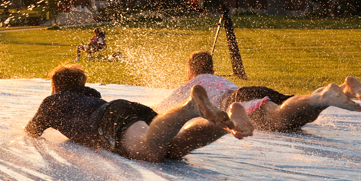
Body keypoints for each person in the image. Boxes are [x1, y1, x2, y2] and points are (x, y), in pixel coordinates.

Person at [25, 64, 254, 162]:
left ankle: (190, 108)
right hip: (123, 108)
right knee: (172, 148)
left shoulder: (52, 102)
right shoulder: (90, 96)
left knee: (150, 152)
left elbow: (32, 131)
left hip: (112, 118)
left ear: (55, 87)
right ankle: (228, 123)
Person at [157, 51, 361, 132]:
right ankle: (343, 89)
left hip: (236, 101)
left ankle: (325, 96)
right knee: (297, 115)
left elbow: (160, 111)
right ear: (212, 70)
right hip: (249, 91)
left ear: (190, 72)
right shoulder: (218, 78)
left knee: (280, 120)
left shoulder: (191, 86)